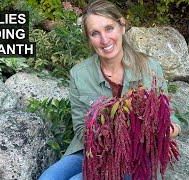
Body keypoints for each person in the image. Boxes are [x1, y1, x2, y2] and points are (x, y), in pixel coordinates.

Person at [38, 0, 181, 179]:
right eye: (95, 33)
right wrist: (108, 136)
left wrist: (160, 131)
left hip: (136, 157)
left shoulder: (149, 69)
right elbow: (81, 129)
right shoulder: (79, 74)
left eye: (109, 28)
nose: (104, 40)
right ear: (89, 39)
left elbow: (171, 120)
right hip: (92, 149)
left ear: (121, 25)